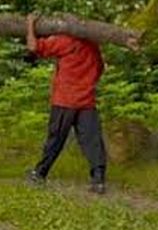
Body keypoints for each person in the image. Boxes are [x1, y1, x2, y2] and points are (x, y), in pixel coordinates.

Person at [24, 13, 108, 194]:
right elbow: (100, 68)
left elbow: (33, 47)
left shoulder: (65, 41)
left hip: (64, 100)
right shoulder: (94, 46)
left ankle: (39, 174)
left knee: (55, 140)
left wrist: (30, 24)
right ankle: (98, 180)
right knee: (93, 141)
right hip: (86, 101)